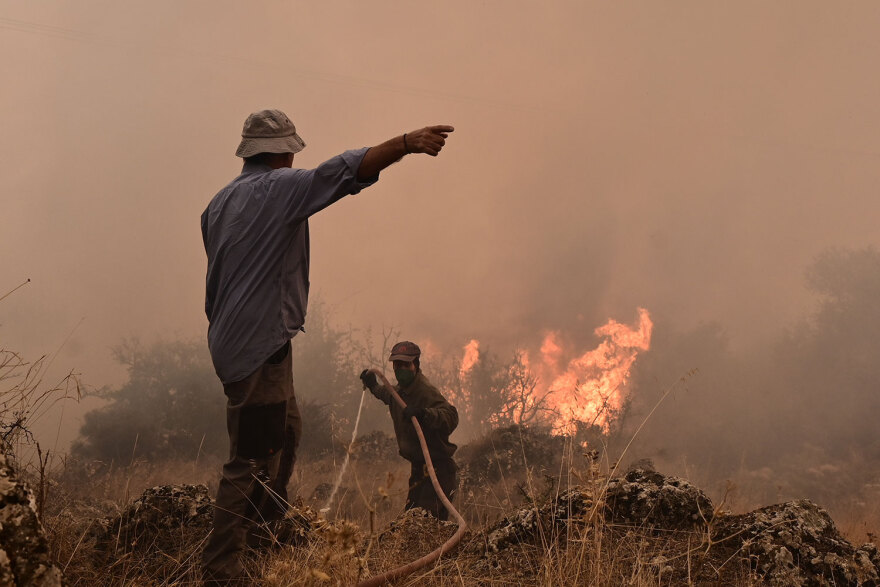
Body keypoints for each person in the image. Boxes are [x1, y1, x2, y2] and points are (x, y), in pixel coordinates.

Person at [200, 109, 454, 584]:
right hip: (258, 346)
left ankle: (263, 532)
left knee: (288, 432)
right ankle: (223, 567)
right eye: (291, 149)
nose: (296, 154)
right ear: (280, 151)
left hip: (238, 342)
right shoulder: (279, 188)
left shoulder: (218, 204)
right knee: (252, 455)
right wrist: (405, 142)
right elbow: (341, 171)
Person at [360, 341, 459, 520]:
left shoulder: (425, 391)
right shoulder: (400, 391)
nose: (401, 369)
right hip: (419, 471)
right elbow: (387, 395)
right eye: (397, 365)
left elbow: (451, 416)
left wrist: (424, 413)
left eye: (406, 364)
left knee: (427, 526)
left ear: (416, 365)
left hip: (438, 471)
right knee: (409, 524)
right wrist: (373, 386)